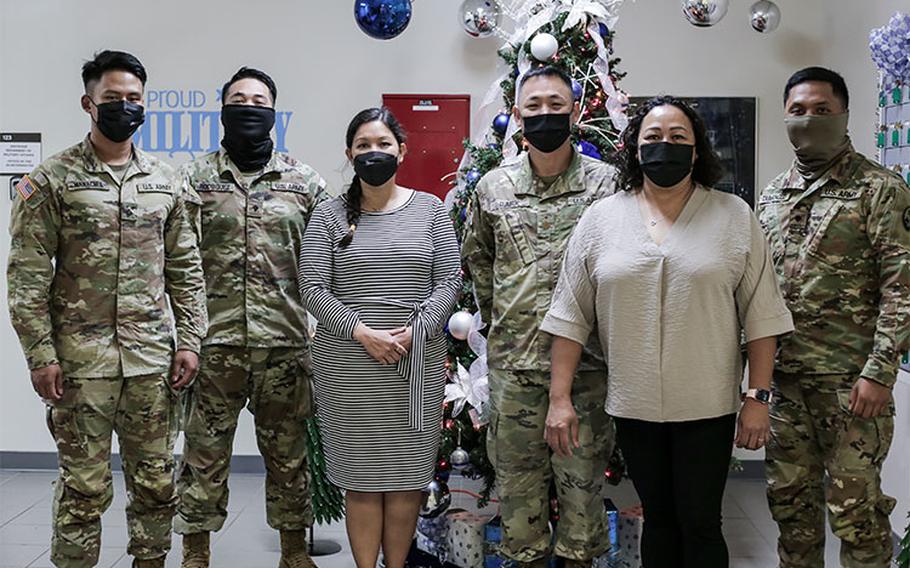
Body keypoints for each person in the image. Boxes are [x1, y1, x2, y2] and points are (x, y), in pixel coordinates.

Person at [541, 95, 794, 568]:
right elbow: (570, 316)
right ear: (635, 149)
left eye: (678, 137)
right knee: (658, 519)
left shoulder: (734, 217)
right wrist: (560, 398)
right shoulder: (601, 220)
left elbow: (762, 317)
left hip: (708, 405)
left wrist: (758, 398)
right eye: (652, 138)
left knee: (700, 523)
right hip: (635, 406)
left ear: (697, 150)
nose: (665, 146)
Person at [6, 50, 207, 568]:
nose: (124, 106)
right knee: (83, 491)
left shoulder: (167, 179)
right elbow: (27, 276)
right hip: (79, 365)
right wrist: (39, 354)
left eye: (134, 99)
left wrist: (190, 341)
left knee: (157, 483)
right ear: (88, 104)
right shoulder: (51, 181)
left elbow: (186, 269)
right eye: (112, 98)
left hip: (150, 364)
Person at [174, 67, 328, 568]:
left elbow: (330, 262)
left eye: (258, 100)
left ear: (273, 112)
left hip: (284, 346)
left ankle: (293, 551)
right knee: (203, 456)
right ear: (223, 111)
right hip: (212, 345)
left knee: (289, 459)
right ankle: (196, 552)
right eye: (238, 99)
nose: (248, 107)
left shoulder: (305, 182)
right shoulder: (192, 181)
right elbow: (174, 261)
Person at [461, 66, 615, 567]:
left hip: (589, 373)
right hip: (515, 374)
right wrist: (508, 321)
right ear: (517, 115)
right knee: (520, 507)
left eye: (555, 104)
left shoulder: (607, 186)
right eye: (533, 107)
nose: (544, 114)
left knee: (582, 507)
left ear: (574, 111)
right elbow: (477, 262)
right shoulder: (492, 188)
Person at [758, 66, 910, 568]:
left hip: (853, 388)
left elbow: (902, 289)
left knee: (855, 514)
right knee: (791, 513)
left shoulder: (880, 189)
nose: (809, 119)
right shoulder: (772, 195)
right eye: (798, 111)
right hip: (786, 388)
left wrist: (880, 372)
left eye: (822, 110)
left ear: (844, 115)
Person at [297, 107, 461, 568]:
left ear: (402, 151)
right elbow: (311, 287)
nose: (374, 153)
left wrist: (416, 331)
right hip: (349, 372)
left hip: (414, 369)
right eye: (364, 145)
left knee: (408, 481)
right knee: (363, 482)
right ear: (349, 154)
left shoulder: (431, 211)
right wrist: (362, 333)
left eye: (383, 144)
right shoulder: (329, 216)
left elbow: (449, 281)